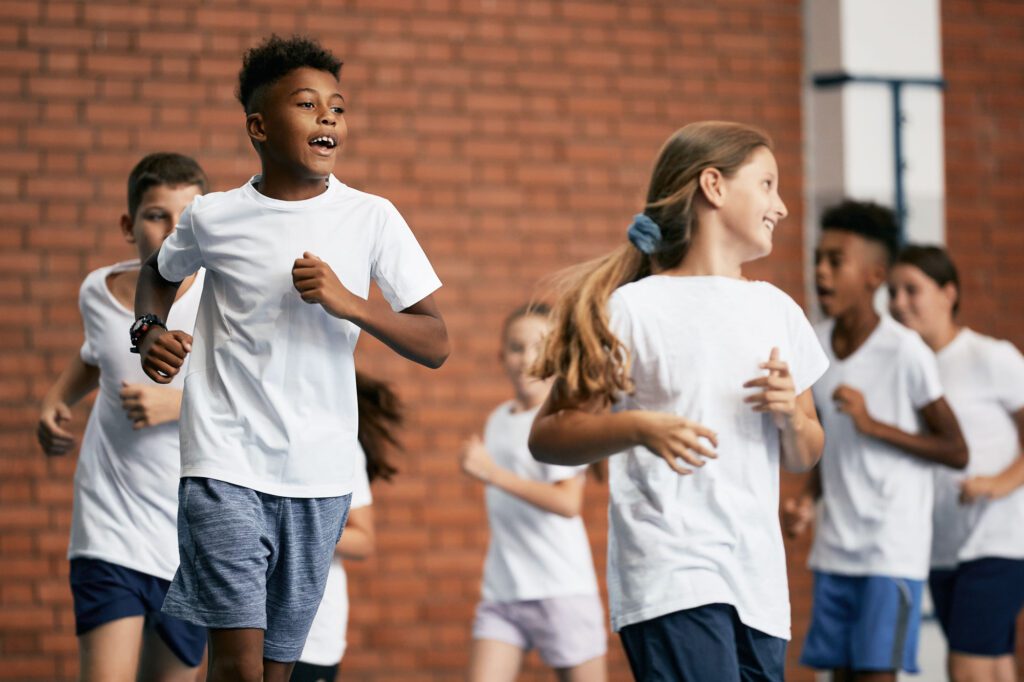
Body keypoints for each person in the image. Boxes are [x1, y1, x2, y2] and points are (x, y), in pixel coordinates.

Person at [131, 35, 449, 682]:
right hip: (224, 462)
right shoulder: (213, 216)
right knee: (238, 668)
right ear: (260, 127)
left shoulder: (372, 217)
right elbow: (159, 273)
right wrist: (147, 328)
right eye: (307, 104)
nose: (328, 116)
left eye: (338, 106)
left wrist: (351, 304)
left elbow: (436, 341)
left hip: (320, 474)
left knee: (278, 672)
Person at [529, 121, 829, 682]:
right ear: (714, 186)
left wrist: (791, 416)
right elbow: (549, 436)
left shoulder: (777, 310)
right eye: (767, 184)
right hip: (671, 576)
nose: (782, 206)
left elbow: (805, 453)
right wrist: (639, 427)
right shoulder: (633, 309)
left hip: (758, 586)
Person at [36, 153, 209, 682]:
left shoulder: (225, 297)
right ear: (128, 226)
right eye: (157, 215)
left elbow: (265, 399)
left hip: (192, 540)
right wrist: (56, 399)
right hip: (108, 525)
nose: (174, 229)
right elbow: (98, 354)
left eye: (188, 216)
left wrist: (176, 404)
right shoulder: (98, 290)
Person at [786, 201, 968, 682]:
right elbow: (830, 445)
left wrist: (875, 425)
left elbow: (956, 449)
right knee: (839, 676)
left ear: (874, 276)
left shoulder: (905, 350)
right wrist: (806, 501)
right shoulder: (814, 345)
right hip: (834, 550)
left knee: (875, 676)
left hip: (890, 552)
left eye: (835, 261)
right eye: (817, 260)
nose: (821, 272)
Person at [888, 245, 1024, 682]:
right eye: (892, 292)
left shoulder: (990, 356)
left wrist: (999, 483)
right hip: (941, 547)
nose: (899, 303)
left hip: (996, 541)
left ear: (949, 293)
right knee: (994, 664)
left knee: (966, 668)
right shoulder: (906, 367)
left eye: (912, 290)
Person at [460, 303, 607, 682]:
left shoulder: (559, 421)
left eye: (539, 348)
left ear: (557, 356)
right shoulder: (497, 418)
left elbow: (567, 502)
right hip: (504, 591)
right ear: (501, 357)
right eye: (516, 348)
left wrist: (492, 473)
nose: (526, 358)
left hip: (561, 589)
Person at [292, 372, 403, 682]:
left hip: (311, 634)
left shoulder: (340, 446)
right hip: (249, 622)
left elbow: (363, 539)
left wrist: (298, 528)